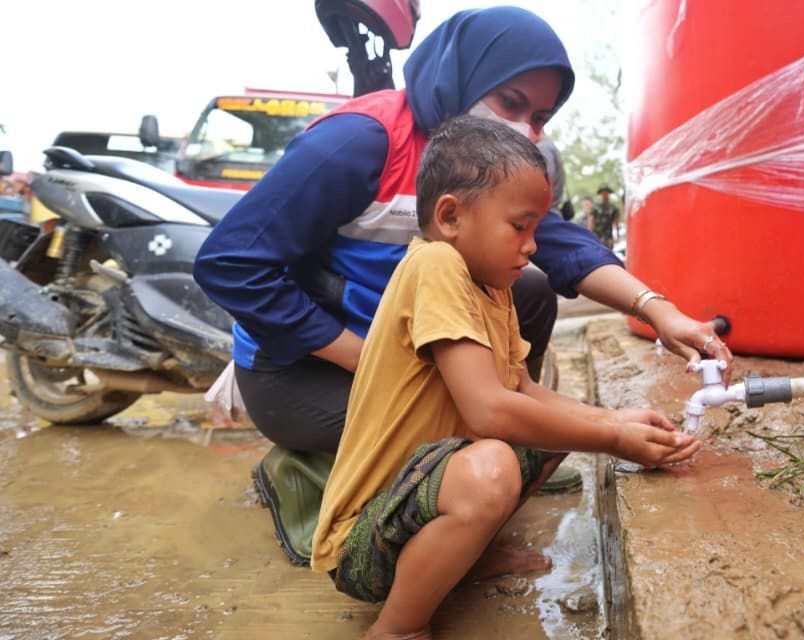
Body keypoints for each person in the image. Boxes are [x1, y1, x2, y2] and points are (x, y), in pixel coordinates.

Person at [193, 7, 731, 562]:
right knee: (485, 416)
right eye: (511, 102)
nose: (526, 128)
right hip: (300, 371)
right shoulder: (362, 141)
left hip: (407, 350)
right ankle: (324, 489)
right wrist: (372, 360)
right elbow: (230, 263)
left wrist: (657, 311)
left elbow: (562, 245)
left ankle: (470, 474)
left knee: (530, 293)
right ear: (458, 77)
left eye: (541, 116)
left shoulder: (488, 170)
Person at [313, 115, 701, 636]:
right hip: (366, 541)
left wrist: (614, 418)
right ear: (450, 216)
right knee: (493, 465)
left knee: (546, 430)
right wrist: (612, 438)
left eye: (537, 229)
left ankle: (465, 555)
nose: (533, 245)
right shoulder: (436, 265)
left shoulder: (492, 285)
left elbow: (522, 389)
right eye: (520, 226)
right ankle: (398, 627)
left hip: (422, 499)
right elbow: (488, 409)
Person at [589, 184, 621, 248]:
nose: (604, 194)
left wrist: (617, 235)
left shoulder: (613, 208)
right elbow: (591, 220)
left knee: (608, 255)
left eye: (606, 192)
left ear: (609, 193)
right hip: (597, 237)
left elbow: (616, 222)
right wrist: (590, 235)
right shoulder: (595, 207)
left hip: (608, 238)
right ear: (600, 194)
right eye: (603, 192)